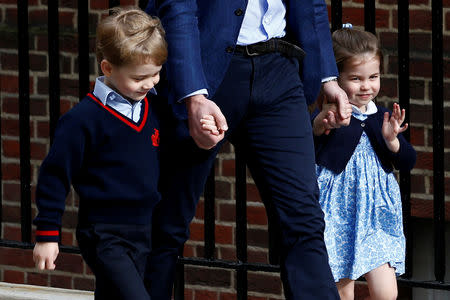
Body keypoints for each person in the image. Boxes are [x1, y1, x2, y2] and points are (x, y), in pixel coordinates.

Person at [145, 1, 352, 299]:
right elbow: (179, 6)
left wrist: (326, 77)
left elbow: (312, 5)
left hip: (279, 72)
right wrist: (192, 94)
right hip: (207, 72)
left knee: (303, 218)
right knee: (168, 220)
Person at [32, 7, 170, 300]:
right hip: (104, 234)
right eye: (139, 77)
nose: (149, 83)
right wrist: (47, 234)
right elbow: (54, 176)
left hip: (144, 231)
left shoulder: (153, 109)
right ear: (108, 69)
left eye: (156, 74)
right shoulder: (82, 120)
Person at [312, 27, 416, 300]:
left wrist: (392, 141)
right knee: (341, 294)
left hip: (376, 213)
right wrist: (320, 125)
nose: (366, 86)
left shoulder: (382, 117)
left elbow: (408, 161)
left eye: (373, 76)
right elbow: (310, 152)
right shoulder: (328, 116)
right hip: (337, 212)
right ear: (336, 79)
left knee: (386, 294)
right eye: (356, 78)